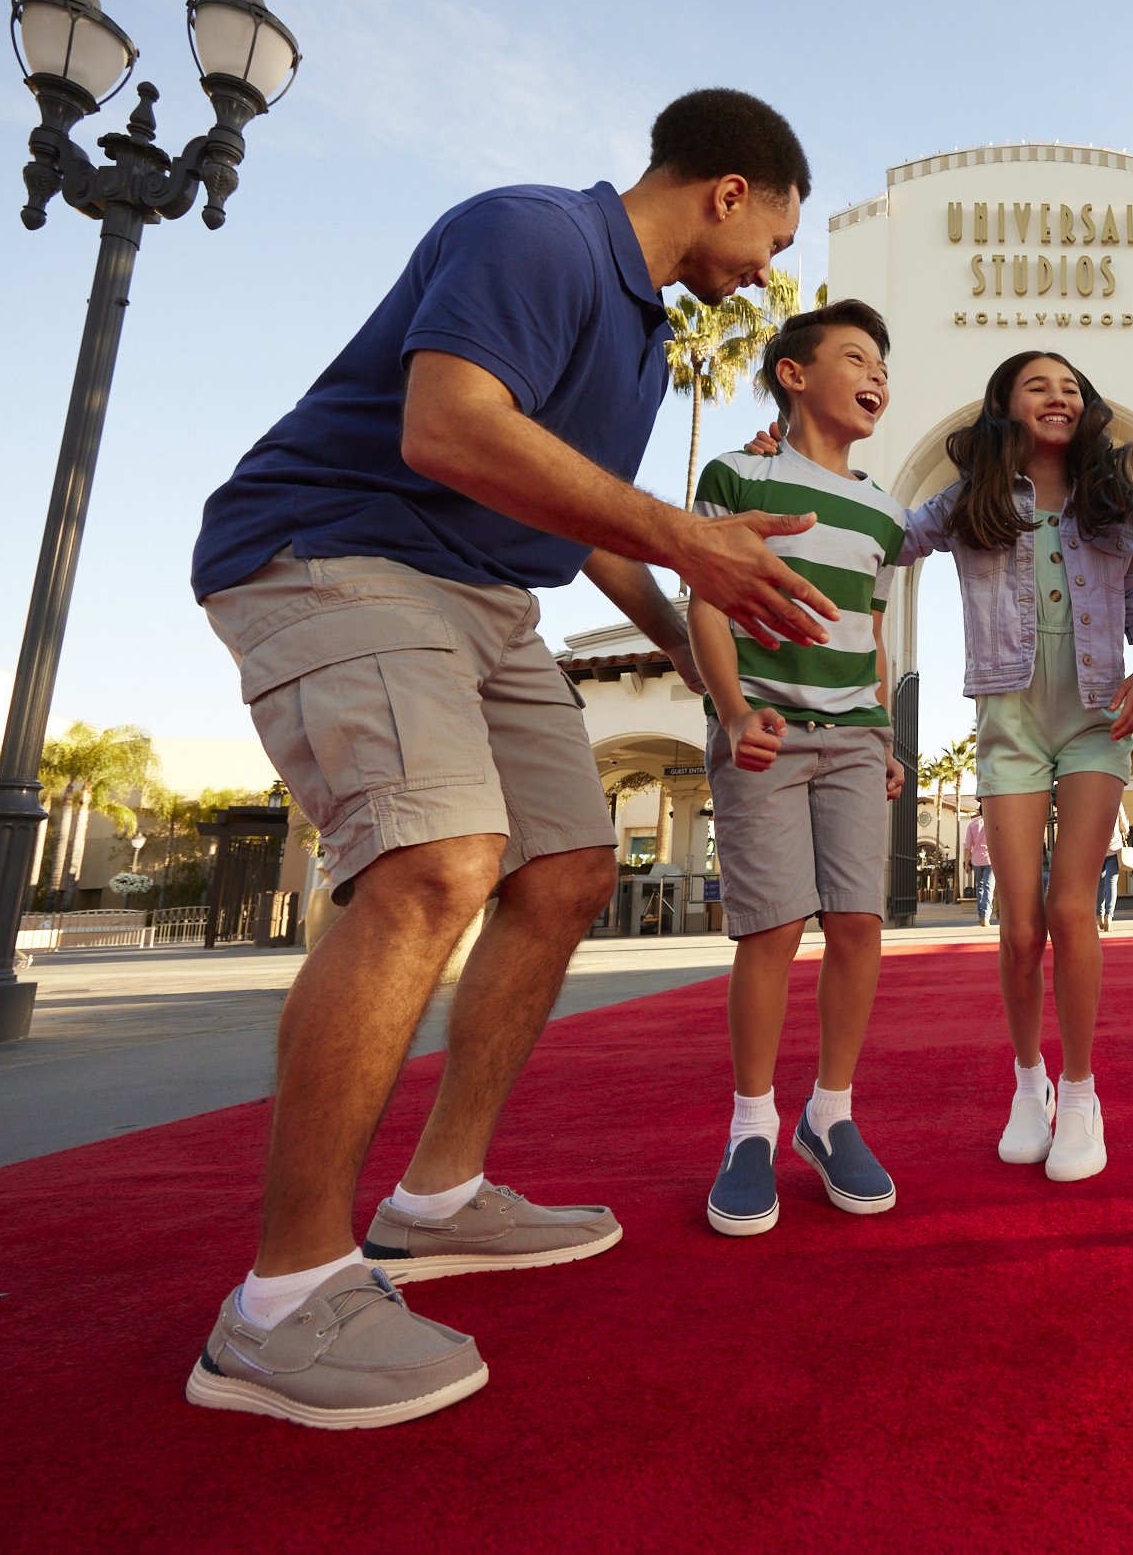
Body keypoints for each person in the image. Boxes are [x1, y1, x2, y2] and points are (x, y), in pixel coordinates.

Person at [186, 89, 835, 1428]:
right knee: (436, 861)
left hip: (487, 596)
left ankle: (437, 1198)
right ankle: (281, 1299)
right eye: (779, 230)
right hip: (339, 551)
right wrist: (686, 532)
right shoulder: (535, 235)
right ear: (729, 188)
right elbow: (449, 428)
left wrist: (711, 671)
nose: (774, 265)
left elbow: (586, 521)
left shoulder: (648, 347)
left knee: (565, 870)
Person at [749, 350, 1133, 1181]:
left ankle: (1081, 1094)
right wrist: (792, 469)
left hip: (1094, 721)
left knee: (1070, 908)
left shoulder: (1115, 505)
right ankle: (1028, 1083)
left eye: (1073, 388)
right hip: (1008, 725)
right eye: (1038, 385)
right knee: (1018, 929)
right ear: (1004, 406)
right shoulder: (971, 500)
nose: (1060, 396)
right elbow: (885, 535)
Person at [690, 300, 908, 1239]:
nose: (877, 377)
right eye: (855, 358)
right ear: (792, 372)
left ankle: (831, 1113)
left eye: (883, 367)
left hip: (857, 739)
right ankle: (750, 1129)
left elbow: (873, 632)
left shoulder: (886, 513)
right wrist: (733, 713)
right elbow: (705, 601)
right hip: (763, 736)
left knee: (859, 922)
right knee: (772, 930)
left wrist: (887, 735)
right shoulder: (733, 475)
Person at [1096, 805, 1127, 931]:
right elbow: (1124, 825)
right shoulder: (1116, 802)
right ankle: (1109, 916)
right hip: (1114, 849)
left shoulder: (1094, 801)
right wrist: (1124, 832)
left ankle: (1100, 916)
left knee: (1100, 884)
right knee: (1111, 884)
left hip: (1098, 850)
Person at [966, 804, 994, 925]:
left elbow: (967, 847)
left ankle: (981, 915)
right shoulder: (993, 825)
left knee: (980, 888)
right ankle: (985, 917)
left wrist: (967, 863)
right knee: (989, 888)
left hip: (976, 860)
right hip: (990, 860)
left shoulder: (972, 825)